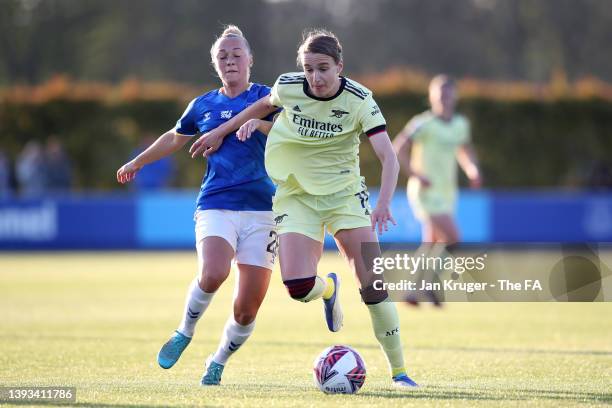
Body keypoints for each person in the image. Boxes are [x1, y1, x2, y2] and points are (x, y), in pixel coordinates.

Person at [190, 29, 418, 387]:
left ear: (340, 66)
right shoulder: (289, 86)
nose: (316, 77)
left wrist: (384, 204)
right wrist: (223, 130)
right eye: (309, 69)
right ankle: (328, 290)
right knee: (297, 287)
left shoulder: (360, 99)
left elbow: (389, 157)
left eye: (324, 68)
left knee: (372, 285)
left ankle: (400, 371)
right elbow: (260, 106)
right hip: (296, 196)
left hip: (344, 197)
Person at [116, 26, 277, 386]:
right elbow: (175, 137)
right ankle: (185, 331)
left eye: (237, 54)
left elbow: (288, 132)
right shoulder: (203, 104)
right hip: (216, 203)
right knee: (214, 271)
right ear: (215, 64)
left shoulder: (269, 98)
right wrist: (138, 162)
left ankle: (218, 359)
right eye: (223, 56)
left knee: (247, 308)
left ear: (251, 60)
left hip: (264, 210)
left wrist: (257, 125)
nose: (230, 60)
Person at [393, 75, 481, 244]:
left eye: (447, 95)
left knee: (432, 242)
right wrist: (416, 175)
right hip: (426, 191)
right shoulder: (422, 123)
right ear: (431, 97)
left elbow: (464, 150)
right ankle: (431, 271)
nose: (444, 100)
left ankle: (423, 272)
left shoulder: (460, 124)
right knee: (453, 239)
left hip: (447, 191)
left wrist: (472, 170)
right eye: (440, 96)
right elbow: (398, 148)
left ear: (455, 97)